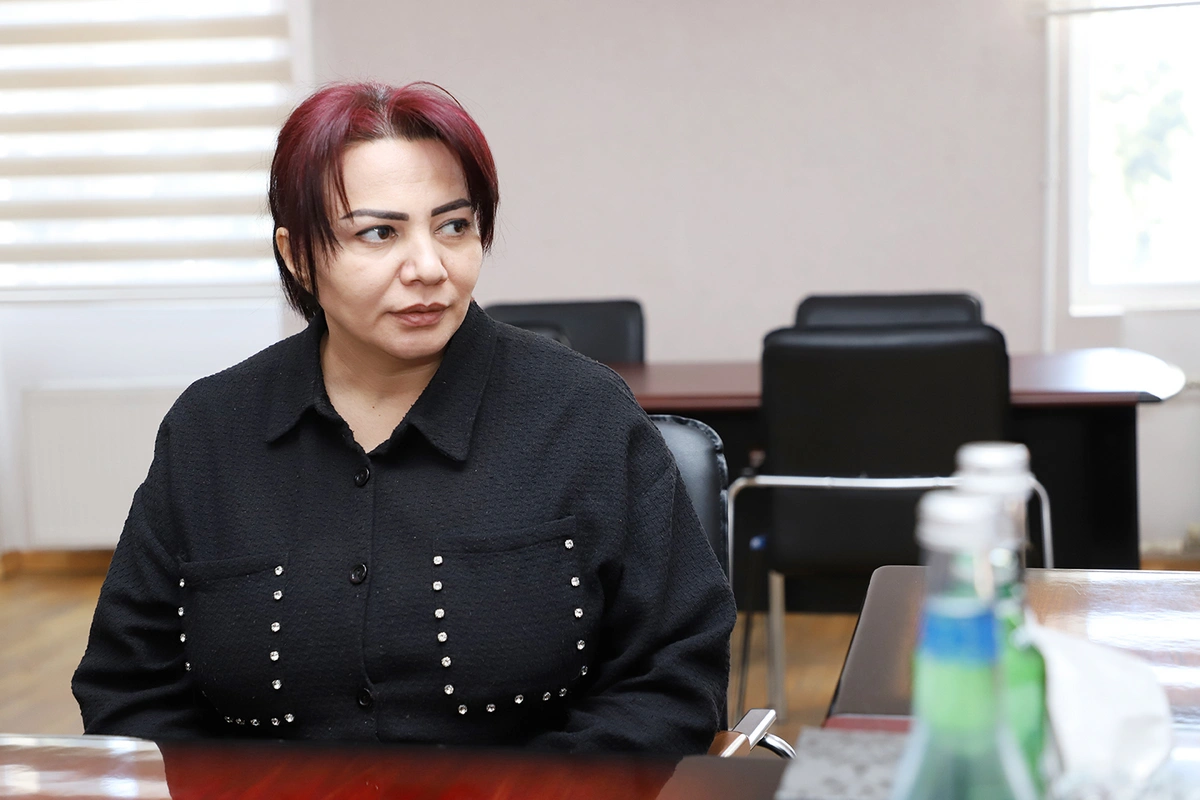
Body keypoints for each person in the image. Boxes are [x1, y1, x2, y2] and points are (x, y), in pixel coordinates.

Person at [72, 81, 736, 754]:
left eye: (454, 226)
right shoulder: (211, 430)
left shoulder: (582, 413)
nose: (428, 267)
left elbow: (673, 674)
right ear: (297, 255)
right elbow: (131, 689)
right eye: (378, 233)